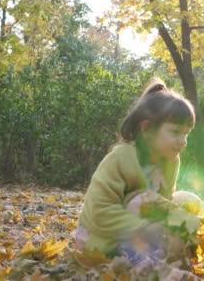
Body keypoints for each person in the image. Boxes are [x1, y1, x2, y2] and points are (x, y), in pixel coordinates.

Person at [75, 77, 197, 266]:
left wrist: (176, 225)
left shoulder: (171, 162)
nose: (182, 141)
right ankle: (143, 261)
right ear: (147, 128)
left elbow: (164, 202)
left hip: (140, 232)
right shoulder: (120, 158)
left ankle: (165, 253)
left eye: (186, 134)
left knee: (186, 201)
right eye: (175, 132)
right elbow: (99, 212)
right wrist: (146, 229)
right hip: (100, 239)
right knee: (142, 200)